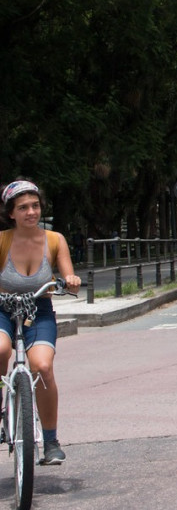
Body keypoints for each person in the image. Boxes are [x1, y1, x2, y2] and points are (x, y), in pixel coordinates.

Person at [0, 179, 82, 465]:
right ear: (11, 213)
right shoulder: (2, 241)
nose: (31, 212)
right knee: (0, 350)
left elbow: (69, 279)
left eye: (35, 206)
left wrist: (71, 280)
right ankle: (2, 407)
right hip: (2, 309)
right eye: (23, 208)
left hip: (39, 310)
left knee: (43, 367)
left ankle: (50, 441)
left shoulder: (54, 240)